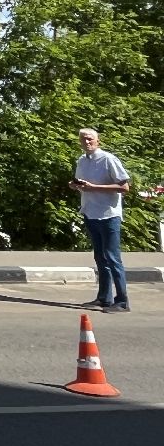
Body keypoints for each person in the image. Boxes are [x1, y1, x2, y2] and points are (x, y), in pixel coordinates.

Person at [70, 127, 131, 312]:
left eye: (90, 139)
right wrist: (76, 186)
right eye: (83, 139)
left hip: (108, 214)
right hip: (90, 212)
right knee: (100, 257)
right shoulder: (82, 160)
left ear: (98, 141)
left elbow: (124, 187)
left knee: (113, 257)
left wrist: (94, 187)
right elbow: (85, 185)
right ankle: (104, 297)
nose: (87, 142)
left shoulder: (108, 159)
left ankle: (122, 301)